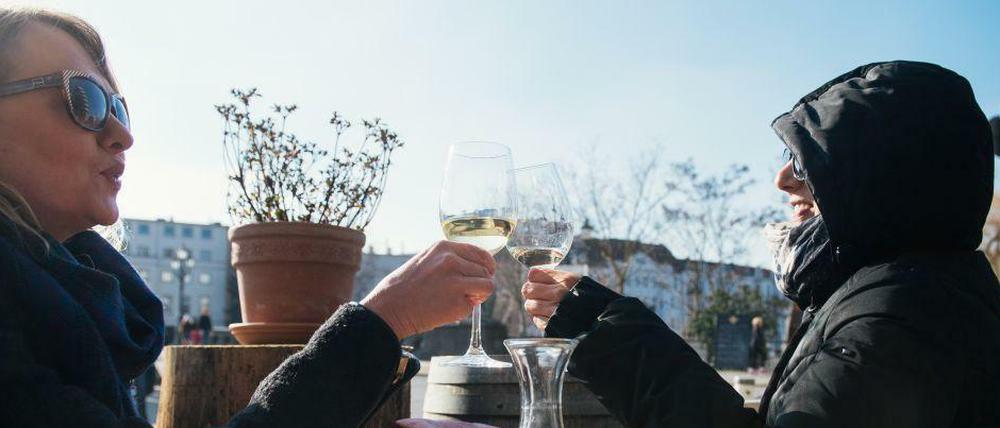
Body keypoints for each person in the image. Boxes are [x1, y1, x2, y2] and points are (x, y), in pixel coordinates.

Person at [0, 8, 497, 427]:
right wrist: (382, 319)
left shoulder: (74, 301)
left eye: (120, 109)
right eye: (83, 99)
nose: (121, 135)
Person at [523, 61, 1000, 427]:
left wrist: (609, 332)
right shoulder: (901, 288)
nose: (782, 179)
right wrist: (597, 320)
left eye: (809, 160)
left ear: (885, 176)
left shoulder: (901, 316)